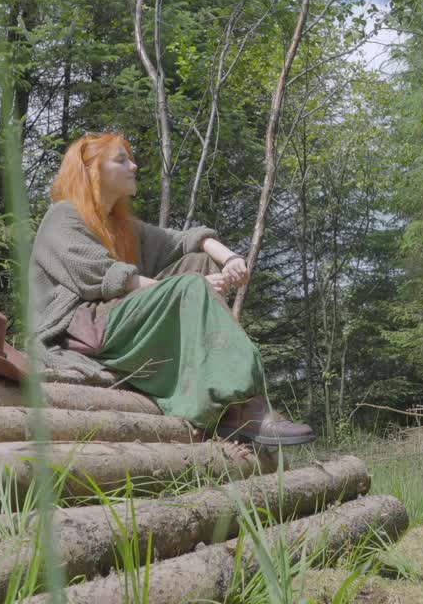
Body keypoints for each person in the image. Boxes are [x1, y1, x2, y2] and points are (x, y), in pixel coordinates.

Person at [29, 132, 315, 446]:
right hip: (78, 331)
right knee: (190, 284)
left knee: (199, 262)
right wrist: (188, 288)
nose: (134, 166)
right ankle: (241, 403)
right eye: (121, 160)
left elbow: (183, 240)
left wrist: (231, 258)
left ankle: (217, 396)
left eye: (131, 159)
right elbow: (106, 275)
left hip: (113, 322)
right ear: (91, 171)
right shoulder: (63, 215)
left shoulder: (122, 225)